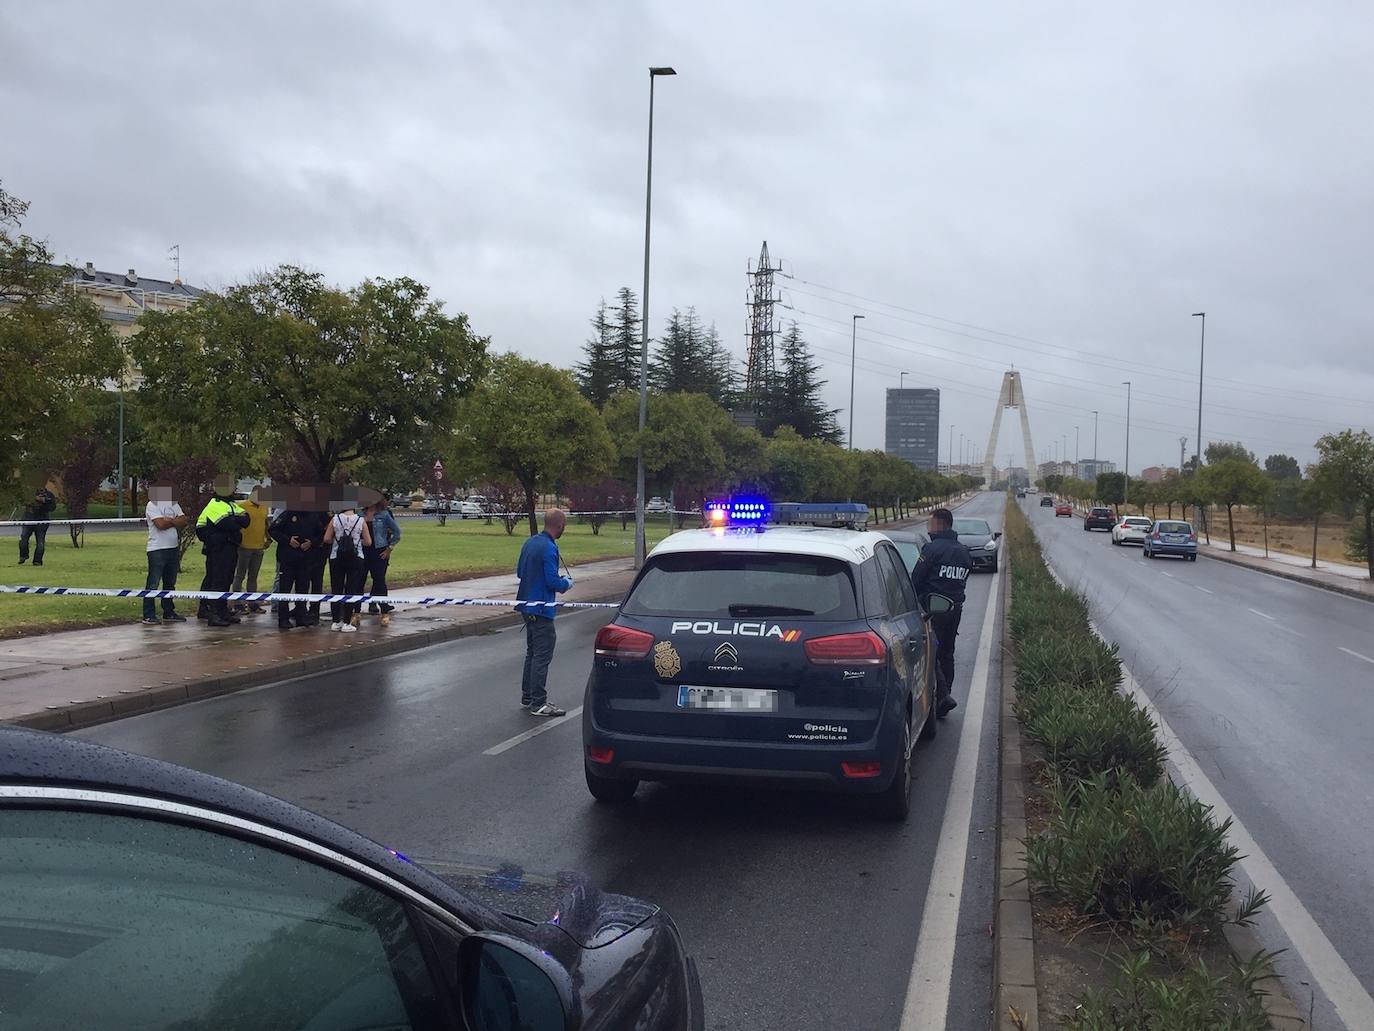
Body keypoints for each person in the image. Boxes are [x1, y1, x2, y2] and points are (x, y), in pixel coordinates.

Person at [911, 507, 973, 719]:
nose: (928, 528)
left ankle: (943, 696)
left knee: (932, 652)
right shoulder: (963, 551)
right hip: (955, 610)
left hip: (933, 610)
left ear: (939, 524)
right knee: (947, 652)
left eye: (930, 524)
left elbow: (916, 580)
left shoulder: (931, 549)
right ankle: (945, 696)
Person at [515, 509, 573, 717]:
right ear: (559, 525)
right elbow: (552, 581)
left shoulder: (530, 542)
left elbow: (520, 572)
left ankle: (528, 696)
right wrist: (566, 583)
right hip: (541, 609)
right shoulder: (549, 548)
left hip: (526, 606)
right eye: (564, 525)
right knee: (542, 655)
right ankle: (539, 703)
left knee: (532, 653)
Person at [195, 476, 250, 628]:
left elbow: (247, 520)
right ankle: (213, 614)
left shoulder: (231, 504)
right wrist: (236, 521)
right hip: (217, 548)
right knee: (217, 580)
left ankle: (222, 610)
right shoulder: (215, 504)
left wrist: (235, 521)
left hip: (230, 547)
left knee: (226, 579)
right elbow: (226, 524)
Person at [269, 489, 329, 630]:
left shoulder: (313, 516)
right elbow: (273, 530)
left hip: (306, 559)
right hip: (288, 558)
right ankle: (283, 619)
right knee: (285, 589)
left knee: (302, 588)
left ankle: (301, 616)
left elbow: (322, 534)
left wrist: (312, 543)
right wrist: (288, 540)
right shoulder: (288, 513)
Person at [142, 481, 189, 625]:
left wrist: (170, 520)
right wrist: (174, 521)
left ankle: (168, 611)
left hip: (172, 548)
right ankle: (148, 614)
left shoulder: (173, 504)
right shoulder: (152, 505)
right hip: (157, 549)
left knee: (170, 583)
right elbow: (160, 524)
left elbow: (184, 520)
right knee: (153, 583)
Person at [324, 504, 371, 633]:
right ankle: (347, 622)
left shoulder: (335, 519)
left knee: (336, 588)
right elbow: (368, 542)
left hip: (336, 556)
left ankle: (335, 621)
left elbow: (327, 539)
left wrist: (338, 540)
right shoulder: (360, 520)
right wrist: (356, 541)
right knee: (351, 589)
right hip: (355, 557)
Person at [231, 484, 271, 615]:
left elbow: (266, 524)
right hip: (244, 546)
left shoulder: (264, 507)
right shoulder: (242, 506)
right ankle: (237, 604)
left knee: (253, 576)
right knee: (240, 575)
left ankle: (253, 603)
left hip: (259, 547)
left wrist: (268, 538)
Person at [364, 495, 402, 627]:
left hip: (379, 551)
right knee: (359, 580)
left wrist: (389, 548)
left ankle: (384, 610)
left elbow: (397, 532)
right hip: (363, 551)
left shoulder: (384, 515)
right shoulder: (360, 514)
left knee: (379, 579)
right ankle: (355, 612)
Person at [17, 487, 57, 567]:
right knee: (23, 539)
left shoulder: (49, 495)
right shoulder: (30, 493)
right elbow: (22, 501)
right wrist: (34, 500)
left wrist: (44, 501)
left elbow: (52, 507)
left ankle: (37, 561)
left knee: (40, 542)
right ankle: (23, 556)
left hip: (42, 521)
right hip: (28, 519)